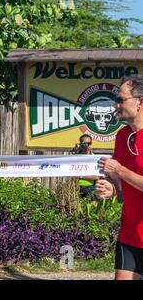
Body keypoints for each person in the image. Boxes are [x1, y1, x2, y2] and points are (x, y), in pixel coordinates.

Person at [95, 75, 143, 280]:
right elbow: (123, 184)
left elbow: (122, 171)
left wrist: (120, 170)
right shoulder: (122, 136)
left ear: (140, 102)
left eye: (121, 99)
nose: (116, 105)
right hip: (130, 234)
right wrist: (112, 188)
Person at [73, 134, 99, 199]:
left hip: (91, 188)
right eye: (84, 143)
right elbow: (71, 174)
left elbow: (96, 176)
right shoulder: (74, 158)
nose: (87, 145)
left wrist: (81, 176)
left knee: (92, 207)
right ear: (80, 144)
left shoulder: (95, 158)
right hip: (76, 188)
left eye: (89, 143)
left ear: (91, 144)